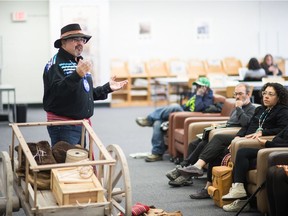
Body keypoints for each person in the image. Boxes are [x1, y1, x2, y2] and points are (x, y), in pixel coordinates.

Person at [176, 82, 288, 195]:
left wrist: (262, 132)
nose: (266, 96)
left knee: (218, 142)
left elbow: (282, 130)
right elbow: (247, 126)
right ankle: (207, 186)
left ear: (279, 97)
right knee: (212, 145)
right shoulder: (260, 110)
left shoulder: (282, 111)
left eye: (271, 94)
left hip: (253, 141)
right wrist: (237, 137)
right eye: (264, 93)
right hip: (243, 138)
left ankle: (199, 171)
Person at [43, 23, 128, 146]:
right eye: (75, 39)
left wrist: (107, 88)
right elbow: (57, 93)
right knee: (67, 164)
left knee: (79, 163)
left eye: (82, 40)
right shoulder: (55, 64)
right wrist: (77, 75)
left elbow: (85, 93)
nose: (80, 43)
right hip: (63, 126)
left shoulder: (79, 63)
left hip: (80, 125)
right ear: (63, 43)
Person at [166, 83, 255, 191]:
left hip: (232, 136)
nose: (237, 97)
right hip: (224, 131)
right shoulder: (237, 106)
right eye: (235, 94)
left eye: (240, 94)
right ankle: (186, 171)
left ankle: (184, 171)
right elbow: (230, 122)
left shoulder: (251, 109)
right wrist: (219, 125)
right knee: (195, 143)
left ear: (249, 94)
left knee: (207, 143)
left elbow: (246, 123)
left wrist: (239, 109)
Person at [136, 77, 213, 162]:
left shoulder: (208, 97)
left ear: (205, 88)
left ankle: (149, 119)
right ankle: (157, 153)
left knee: (175, 106)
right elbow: (186, 106)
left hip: (188, 117)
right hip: (182, 114)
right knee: (157, 122)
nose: (197, 88)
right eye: (197, 86)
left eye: (199, 86)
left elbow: (198, 109)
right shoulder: (195, 94)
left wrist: (199, 95)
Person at [222, 124, 288, 212]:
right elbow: (277, 137)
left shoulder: (282, 111)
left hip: (277, 151)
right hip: (273, 147)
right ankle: (239, 190)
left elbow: (282, 142)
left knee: (243, 163)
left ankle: (242, 198)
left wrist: (267, 143)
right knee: (242, 154)